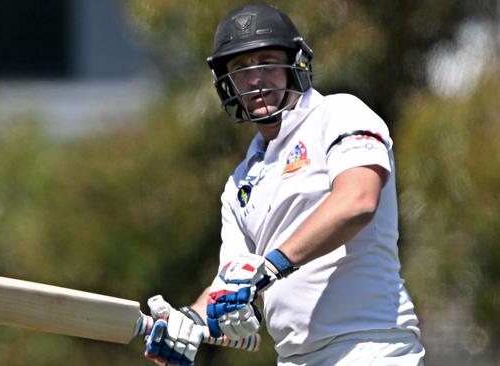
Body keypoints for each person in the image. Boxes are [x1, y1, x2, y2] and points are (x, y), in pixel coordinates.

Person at [143, 3, 425, 365]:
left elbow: (358, 200)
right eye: (241, 68)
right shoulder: (240, 181)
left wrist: (272, 265)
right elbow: (232, 284)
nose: (255, 79)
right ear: (227, 83)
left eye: (266, 61)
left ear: (296, 64)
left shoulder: (339, 113)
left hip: (369, 346)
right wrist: (191, 321)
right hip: (294, 357)